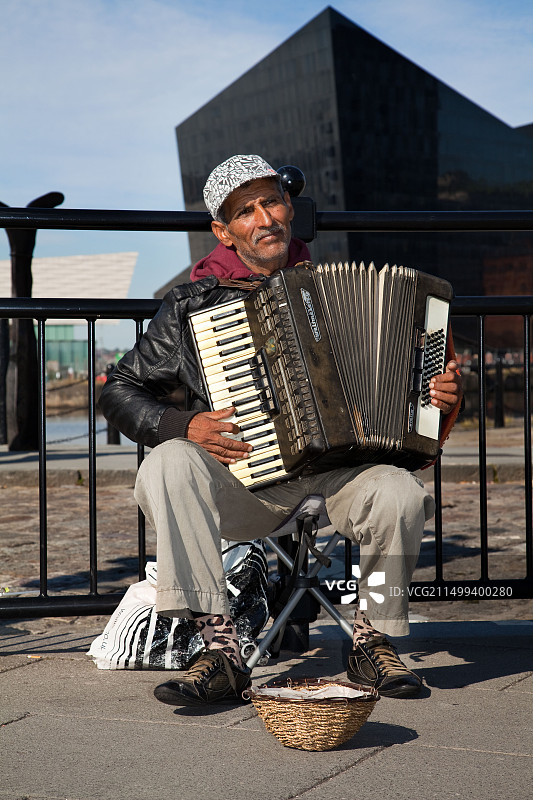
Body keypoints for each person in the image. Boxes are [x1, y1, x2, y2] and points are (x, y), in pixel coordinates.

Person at [100, 154, 463, 707]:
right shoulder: (192, 304)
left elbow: (418, 409)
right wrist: (183, 423)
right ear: (223, 231)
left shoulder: (332, 287)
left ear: (288, 206)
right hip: (247, 483)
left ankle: (371, 639)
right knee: (168, 462)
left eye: (271, 200)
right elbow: (120, 389)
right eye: (245, 211)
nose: (264, 218)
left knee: (401, 493)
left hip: (344, 475)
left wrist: (441, 403)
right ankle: (218, 650)